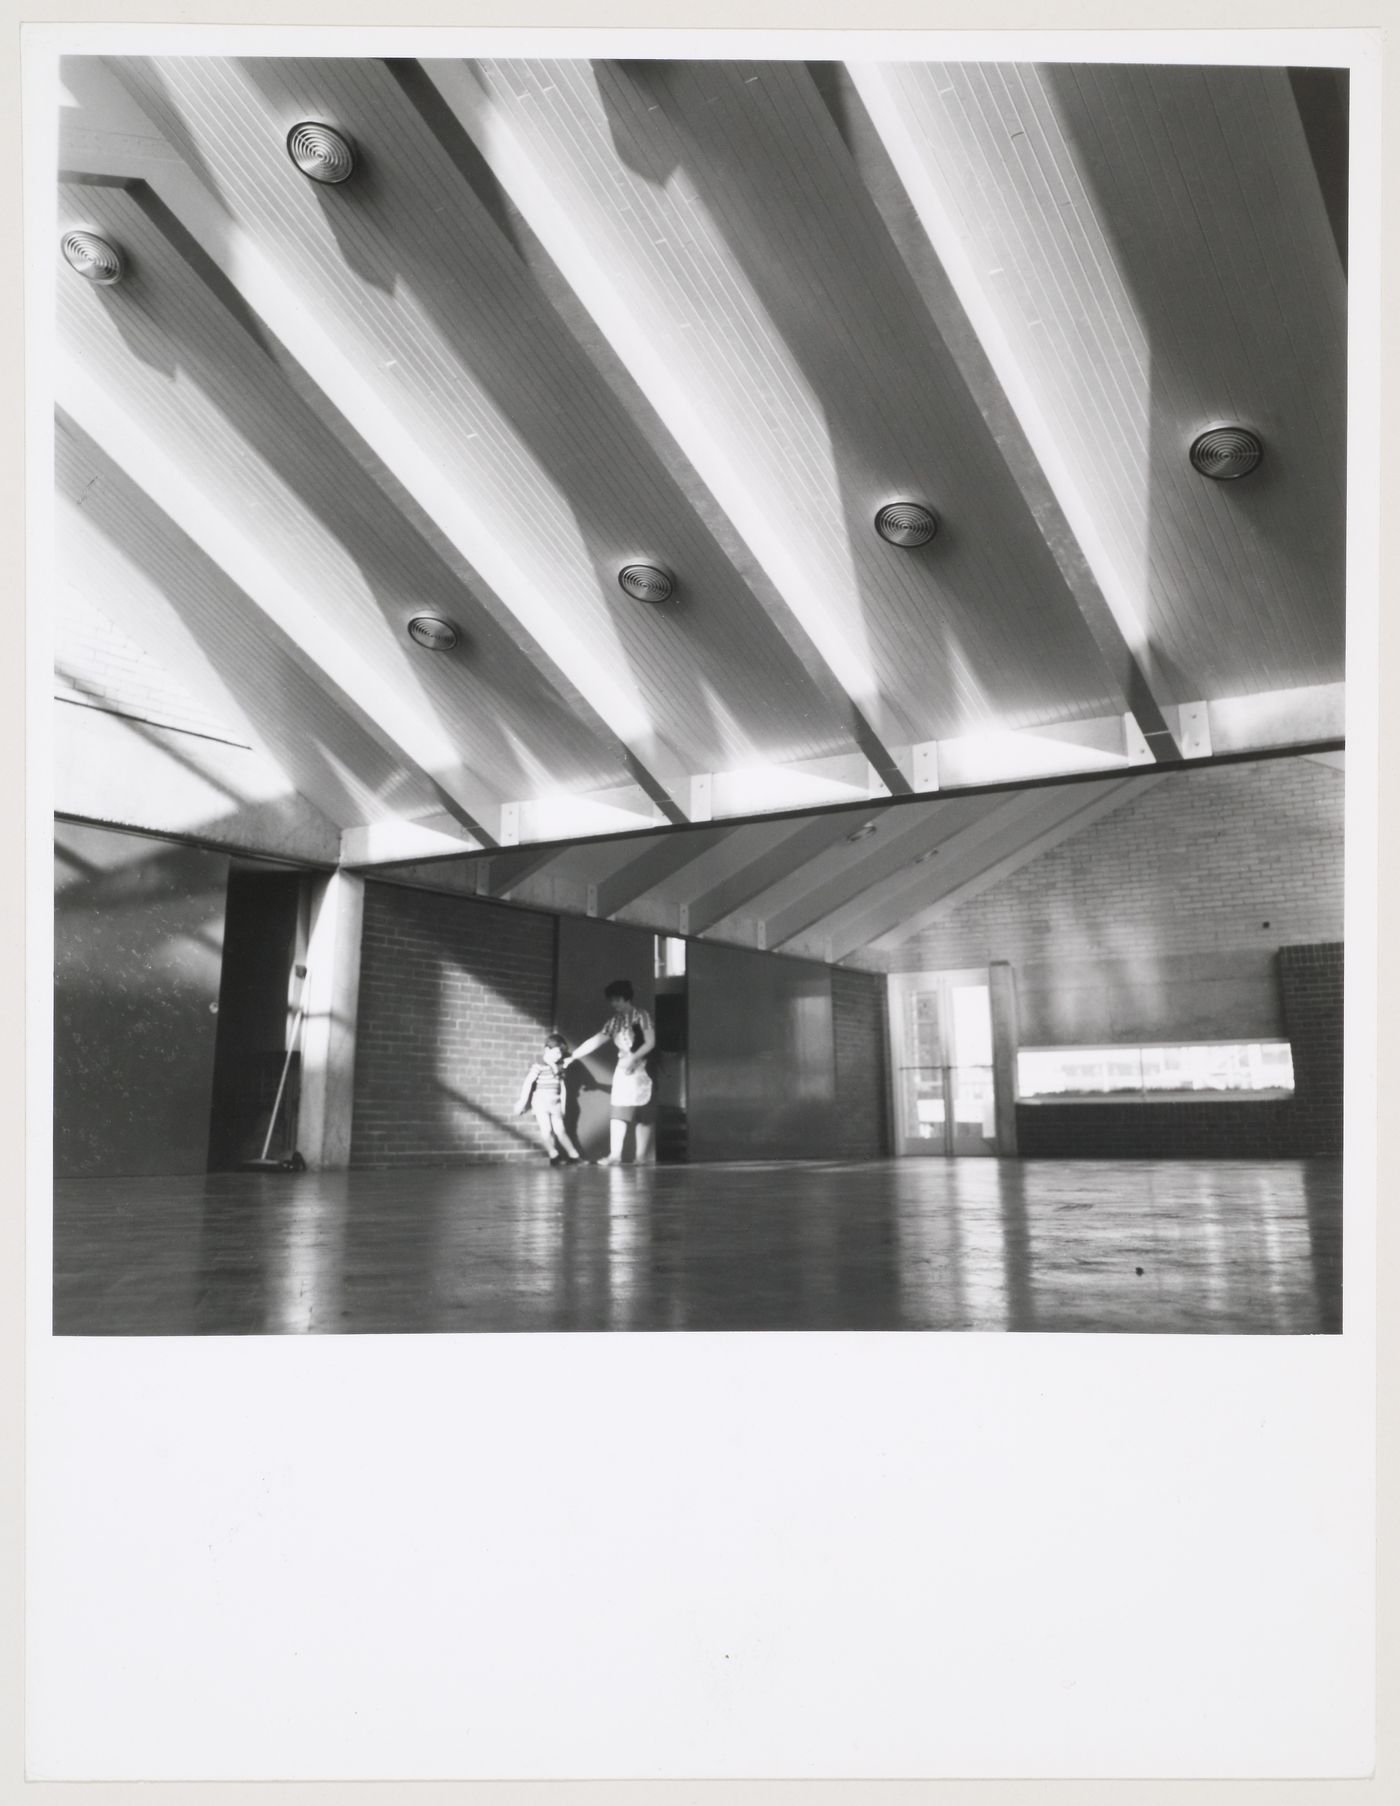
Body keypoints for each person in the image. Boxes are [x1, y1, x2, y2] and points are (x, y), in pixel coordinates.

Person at [565, 979, 657, 1165]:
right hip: (623, 1069)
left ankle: (640, 1157)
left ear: (626, 998)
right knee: (618, 1111)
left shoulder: (642, 1016)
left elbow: (650, 1042)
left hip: (642, 1069)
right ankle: (615, 1155)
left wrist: (633, 1056)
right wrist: (574, 1055)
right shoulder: (615, 1021)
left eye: (617, 1000)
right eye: (612, 1000)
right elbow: (597, 1040)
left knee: (642, 1114)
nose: (614, 1004)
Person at [513, 1034, 583, 1165]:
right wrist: (523, 1100)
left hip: (555, 1102)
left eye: (561, 1053)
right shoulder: (539, 1065)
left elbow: (562, 1087)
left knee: (560, 1130)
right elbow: (528, 1082)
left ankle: (573, 1155)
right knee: (545, 1130)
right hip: (541, 1101)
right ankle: (553, 1154)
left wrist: (562, 1105)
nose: (559, 1055)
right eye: (556, 1052)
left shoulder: (559, 1067)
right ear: (547, 1050)